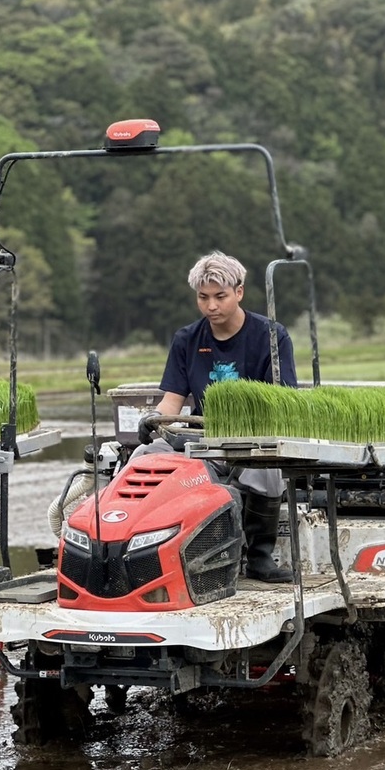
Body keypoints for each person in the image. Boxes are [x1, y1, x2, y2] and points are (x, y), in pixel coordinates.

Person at [135, 250, 297, 583]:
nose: (211, 306)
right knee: (143, 457)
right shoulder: (187, 340)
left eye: (220, 297)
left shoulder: (271, 336)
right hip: (201, 440)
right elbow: (172, 403)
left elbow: (283, 403)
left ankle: (259, 556)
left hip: (252, 440)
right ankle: (142, 551)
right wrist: (153, 421)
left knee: (267, 471)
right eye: (203, 298)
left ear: (239, 292)